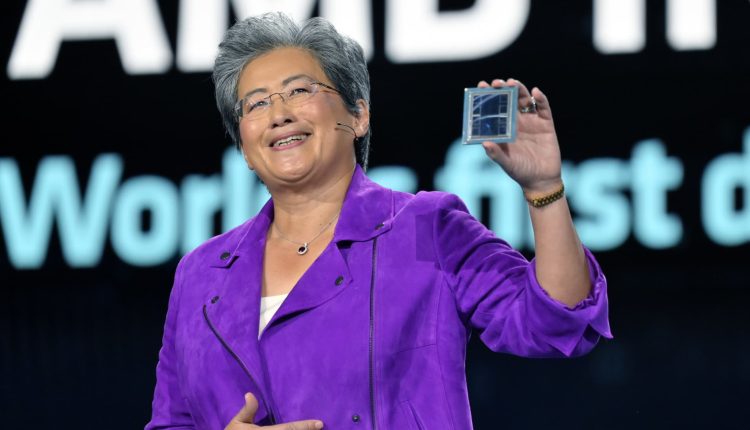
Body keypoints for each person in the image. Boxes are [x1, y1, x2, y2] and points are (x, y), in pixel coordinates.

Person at [145, 12, 611, 430]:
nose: (279, 114)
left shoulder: (425, 227)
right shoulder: (200, 273)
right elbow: (171, 423)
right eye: (256, 104)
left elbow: (555, 320)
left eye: (300, 91)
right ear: (245, 149)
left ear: (359, 115)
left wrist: (543, 189)